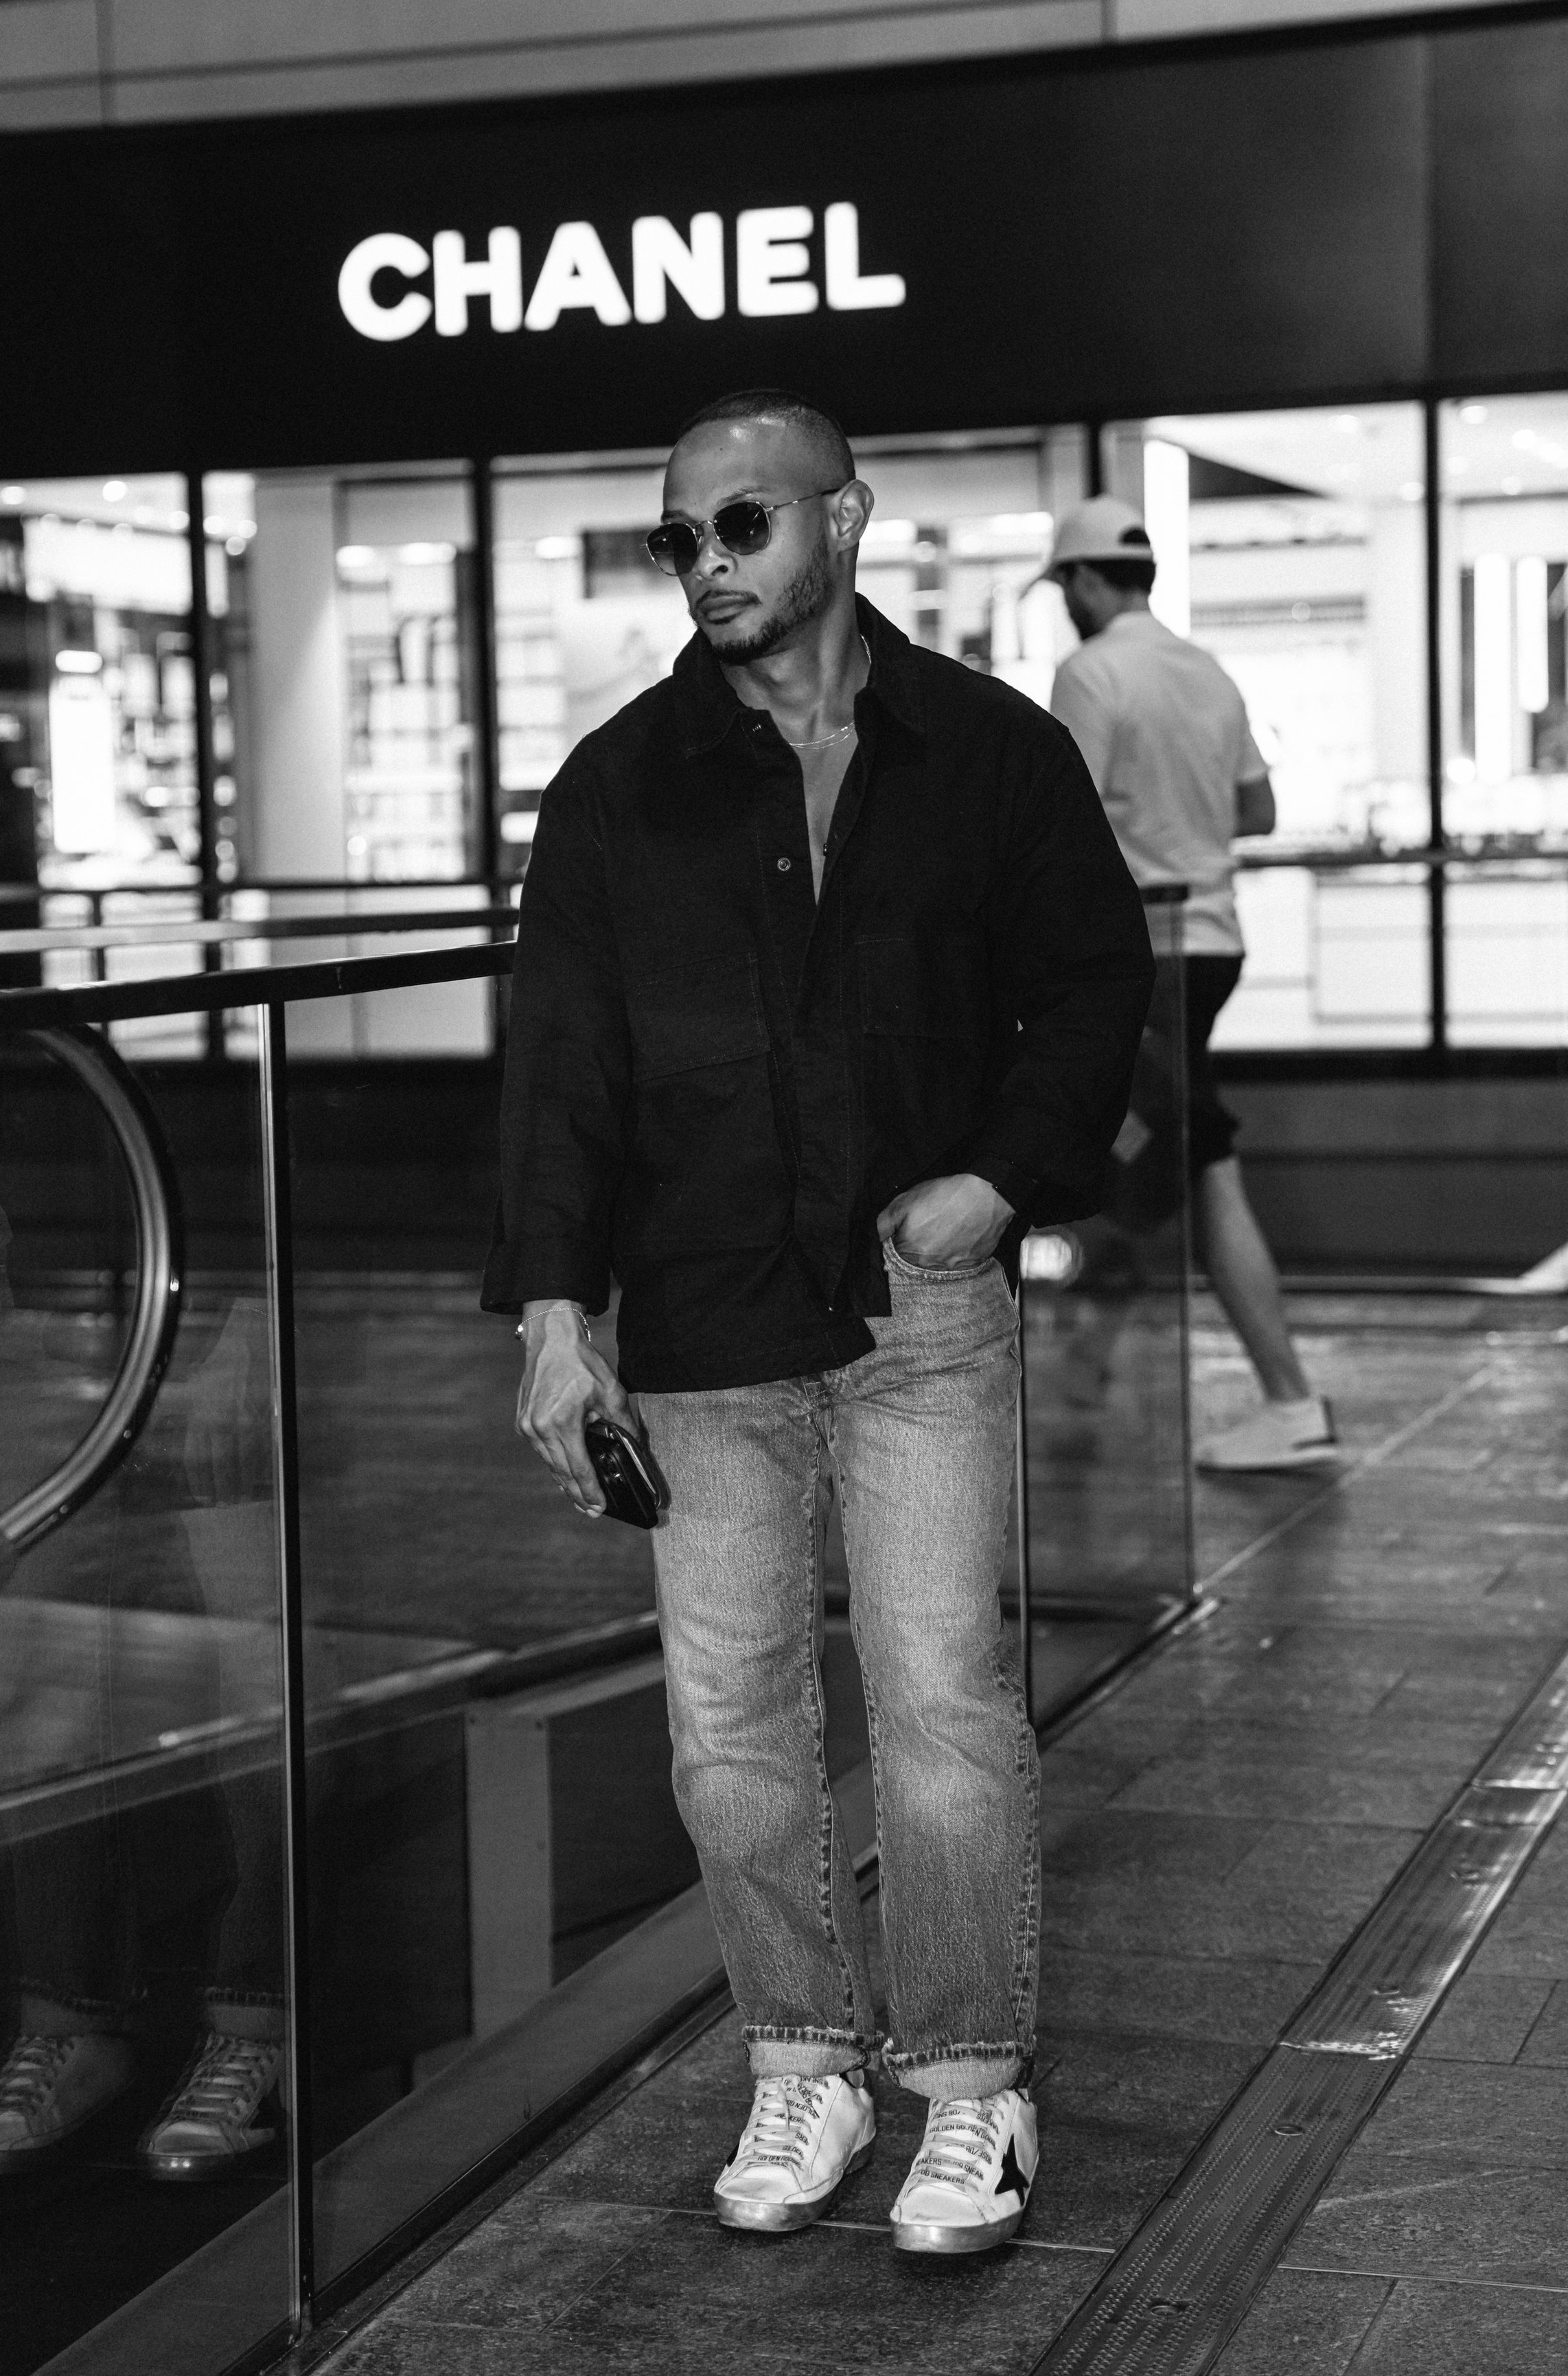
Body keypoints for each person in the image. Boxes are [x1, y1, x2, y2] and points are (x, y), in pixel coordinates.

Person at [483, 391, 1152, 2250]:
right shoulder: (619, 783)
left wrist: (997, 1178)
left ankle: (965, 2088)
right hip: (698, 1318)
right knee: (728, 1728)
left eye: (741, 525)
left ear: (842, 522)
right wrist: (554, 1310)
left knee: (940, 1706)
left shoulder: (988, 755)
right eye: (675, 536)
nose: (707, 563)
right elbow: (561, 1064)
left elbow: (1093, 984)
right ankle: (801, 2055)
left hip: (919, 1307)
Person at [1043, 496, 1339, 1473]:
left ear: (1085, 580)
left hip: (1142, 952)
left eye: (1066, 587)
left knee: (1153, 1150)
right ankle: (1092, 1367)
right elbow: (1257, 807)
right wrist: (1186, 813)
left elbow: (1059, 824)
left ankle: (1281, 1396)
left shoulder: (1090, 672)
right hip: (1213, 940)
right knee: (1168, 1149)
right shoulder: (1207, 672)